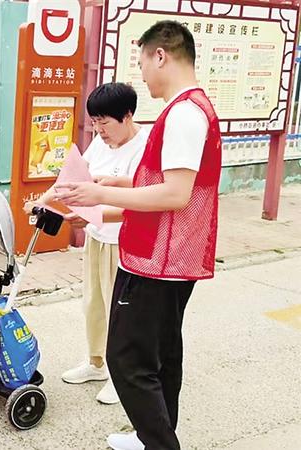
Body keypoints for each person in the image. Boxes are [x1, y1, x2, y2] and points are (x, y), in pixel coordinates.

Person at [55, 21, 222, 450]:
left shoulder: (183, 114)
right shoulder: (191, 109)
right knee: (161, 357)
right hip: (168, 255)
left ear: (160, 55)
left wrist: (99, 194)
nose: (142, 74)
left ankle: (159, 443)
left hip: (158, 260)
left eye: (143, 62)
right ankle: (153, 437)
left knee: (127, 360)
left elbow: (175, 194)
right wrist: (111, 192)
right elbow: (168, 186)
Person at [24, 82, 147, 405]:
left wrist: (97, 216)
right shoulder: (101, 142)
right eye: (94, 123)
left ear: (127, 116)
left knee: (121, 313)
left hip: (125, 243)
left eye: (104, 123)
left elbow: (141, 204)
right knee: (93, 304)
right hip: (97, 237)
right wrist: (42, 201)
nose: (99, 130)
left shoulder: (145, 148)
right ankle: (96, 363)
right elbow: (72, 180)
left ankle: (124, 378)